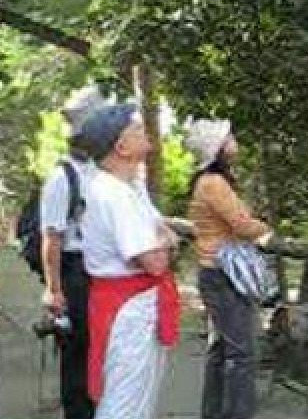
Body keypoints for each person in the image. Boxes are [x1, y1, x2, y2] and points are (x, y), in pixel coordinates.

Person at [79, 103, 180, 419]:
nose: (144, 131)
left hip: (135, 303)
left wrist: (162, 239)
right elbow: (155, 262)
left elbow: (159, 234)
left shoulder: (130, 187)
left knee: (138, 394)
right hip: (129, 309)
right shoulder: (115, 194)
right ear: (120, 147)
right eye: (136, 128)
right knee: (124, 400)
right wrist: (166, 241)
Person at [184, 118, 273, 419]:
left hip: (214, 271)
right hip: (222, 273)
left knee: (223, 348)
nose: (234, 140)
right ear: (218, 148)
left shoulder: (209, 181)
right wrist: (267, 230)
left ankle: (213, 412)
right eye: (229, 137)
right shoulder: (214, 183)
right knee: (242, 353)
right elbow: (242, 224)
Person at [39, 84, 106, 419]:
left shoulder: (95, 172)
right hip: (75, 271)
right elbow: (52, 238)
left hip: (98, 269)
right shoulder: (61, 177)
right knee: (77, 355)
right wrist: (54, 290)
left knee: (97, 353)